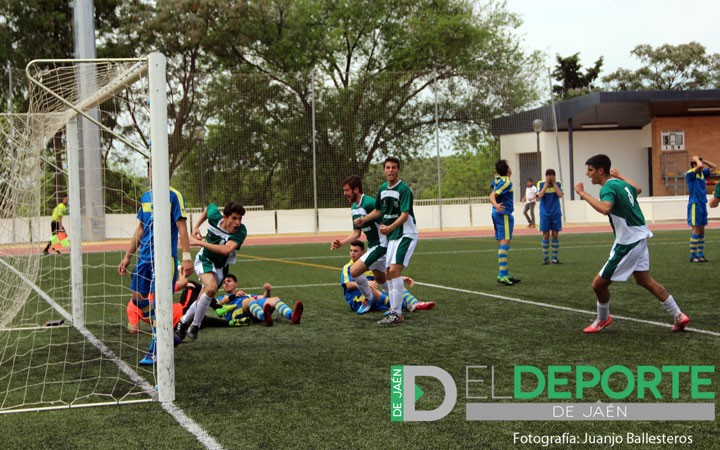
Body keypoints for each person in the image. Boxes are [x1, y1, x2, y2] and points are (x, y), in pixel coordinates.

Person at [574, 154, 690, 333]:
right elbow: (638, 188)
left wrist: (582, 193)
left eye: (590, 170)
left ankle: (602, 319)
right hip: (640, 237)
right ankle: (679, 315)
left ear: (600, 170)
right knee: (645, 280)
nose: (588, 174)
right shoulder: (620, 183)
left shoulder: (607, 188)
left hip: (628, 242)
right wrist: (620, 175)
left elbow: (605, 208)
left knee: (598, 284)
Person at [118, 169, 194, 365]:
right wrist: (128, 256)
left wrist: (186, 257)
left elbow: (182, 228)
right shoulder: (145, 197)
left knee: (161, 302)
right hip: (143, 258)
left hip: (163, 258)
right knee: (138, 300)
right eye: (152, 170)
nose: (156, 174)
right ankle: (162, 334)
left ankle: (156, 347)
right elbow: (141, 228)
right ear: (149, 172)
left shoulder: (174, 196)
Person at [354, 156, 417, 325]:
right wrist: (364, 219)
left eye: (394, 167)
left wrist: (389, 228)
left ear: (398, 170)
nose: (390, 170)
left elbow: (405, 214)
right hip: (393, 236)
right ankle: (396, 309)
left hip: (406, 233)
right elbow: (378, 211)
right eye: (388, 167)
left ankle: (396, 312)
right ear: (384, 170)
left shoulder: (404, 190)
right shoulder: (382, 189)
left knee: (394, 271)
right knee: (389, 273)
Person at [175, 202, 247, 341]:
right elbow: (209, 208)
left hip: (221, 267)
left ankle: (183, 323)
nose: (237, 223)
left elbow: (226, 250)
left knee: (203, 297)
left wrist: (200, 242)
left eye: (240, 219)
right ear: (225, 217)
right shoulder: (215, 217)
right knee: (212, 288)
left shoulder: (241, 232)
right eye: (234, 218)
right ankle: (195, 326)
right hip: (205, 260)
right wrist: (196, 226)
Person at [330, 175, 387, 308]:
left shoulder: (369, 202)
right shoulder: (354, 207)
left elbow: (382, 217)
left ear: (356, 190)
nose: (344, 194)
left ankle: (369, 298)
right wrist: (341, 243)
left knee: (354, 271)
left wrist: (365, 219)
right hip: (372, 247)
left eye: (346, 190)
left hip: (382, 245)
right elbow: (357, 233)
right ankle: (406, 305)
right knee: (384, 281)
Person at [341, 240, 434, 314]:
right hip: (359, 301)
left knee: (395, 282)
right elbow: (348, 285)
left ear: (363, 252)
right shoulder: (348, 267)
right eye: (351, 250)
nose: (352, 253)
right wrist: (366, 283)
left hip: (376, 300)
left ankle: (415, 302)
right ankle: (405, 306)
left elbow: (382, 278)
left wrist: (400, 278)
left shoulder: (370, 265)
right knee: (371, 289)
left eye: (355, 251)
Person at [126, 267, 202, 335]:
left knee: (206, 320)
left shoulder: (131, 305)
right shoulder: (155, 289)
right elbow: (184, 283)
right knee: (191, 284)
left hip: (166, 327)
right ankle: (213, 303)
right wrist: (179, 268)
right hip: (183, 313)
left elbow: (134, 329)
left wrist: (130, 324)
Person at [489, 159, 520, 286]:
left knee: (503, 242)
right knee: (505, 242)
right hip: (503, 214)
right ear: (507, 170)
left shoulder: (498, 179)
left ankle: (504, 273)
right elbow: (491, 196)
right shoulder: (507, 182)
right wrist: (496, 205)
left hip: (497, 214)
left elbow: (493, 188)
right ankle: (502, 275)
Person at [685, 155, 716, 262]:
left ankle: (700, 255)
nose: (701, 165)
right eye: (699, 163)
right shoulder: (690, 173)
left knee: (702, 230)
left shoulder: (702, 174)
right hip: (695, 204)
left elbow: (714, 167)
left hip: (702, 203)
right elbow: (698, 166)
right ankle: (693, 257)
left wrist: (704, 160)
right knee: (696, 229)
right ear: (694, 164)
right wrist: (697, 159)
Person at [537, 169, 564, 264]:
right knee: (545, 235)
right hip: (545, 212)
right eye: (548, 175)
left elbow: (560, 194)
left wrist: (554, 184)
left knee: (555, 234)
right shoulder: (540, 183)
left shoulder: (558, 183)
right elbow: (540, 195)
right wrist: (546, 184)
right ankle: (546, 258)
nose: (551, 177)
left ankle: (555, 258)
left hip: (555, 212)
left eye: (552, 175)